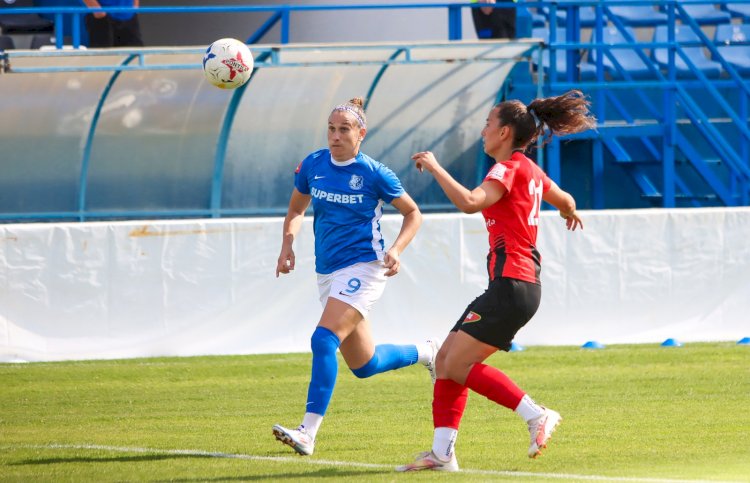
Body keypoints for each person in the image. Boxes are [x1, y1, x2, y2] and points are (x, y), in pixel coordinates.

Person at [397, 90, 594, 472]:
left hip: (512, 284)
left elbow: (472, 202)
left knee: (455, 364)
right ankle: (441, 454)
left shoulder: (505, 169)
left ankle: (535, 414)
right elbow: (565, 199)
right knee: (444, 359)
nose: (483, 131)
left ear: (504, 132)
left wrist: (436, 167)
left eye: (488, 124)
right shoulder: (530, 170)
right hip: (515, 287)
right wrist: (569, 211)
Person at [272, 97, 439, 457]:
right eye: (331, 129)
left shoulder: (375, 173)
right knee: (365, 365)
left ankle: (307, 432)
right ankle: (428, 352)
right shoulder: (313, 164)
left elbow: (414, 214)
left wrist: (396, 250)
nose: (335, 136)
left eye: (344, 129)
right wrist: (287, 245)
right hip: (327, 271)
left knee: (322, 339)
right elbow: (296, 208)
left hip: (364, 266)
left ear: (361, 134)